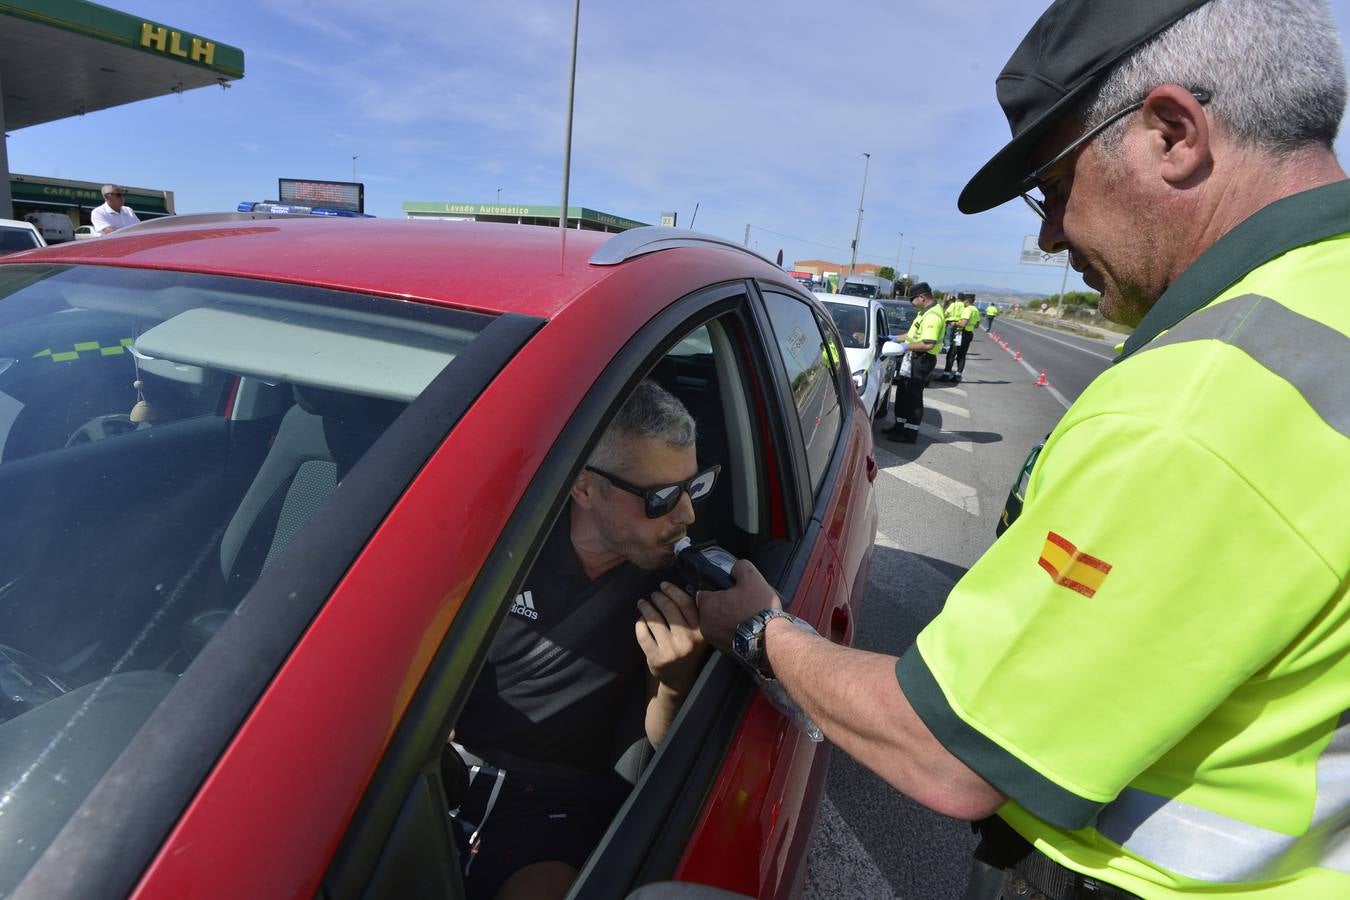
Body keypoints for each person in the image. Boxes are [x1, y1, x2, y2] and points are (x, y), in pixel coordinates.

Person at [689, 0, 1350, 897]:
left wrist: (762, 632)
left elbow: (952, 751)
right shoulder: (1321, 311)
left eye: (1053, 185)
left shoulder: (1204, 402)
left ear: (1171, 133)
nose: (1047, 235)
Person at [451, 380, 714, 900]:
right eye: (662, 498)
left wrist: (674, 683)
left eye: (694, 486)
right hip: (439, 771)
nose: (687, 515)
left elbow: (656, 758)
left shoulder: (679, 590)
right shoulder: (499, 546)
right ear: (585, 488)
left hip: (553, 807)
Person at [881, 281, 944, 444]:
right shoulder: (924, 312)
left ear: (922, 297)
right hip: (913, 358)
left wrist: (904, 346)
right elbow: (912, 334)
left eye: (912, 300)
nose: (912, 303)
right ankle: (899, 426)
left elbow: (928, 343)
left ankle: (910, 433)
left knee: (914, 397)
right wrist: (893, 338)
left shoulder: (933, 316)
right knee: (903, 393)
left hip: (922, 360)